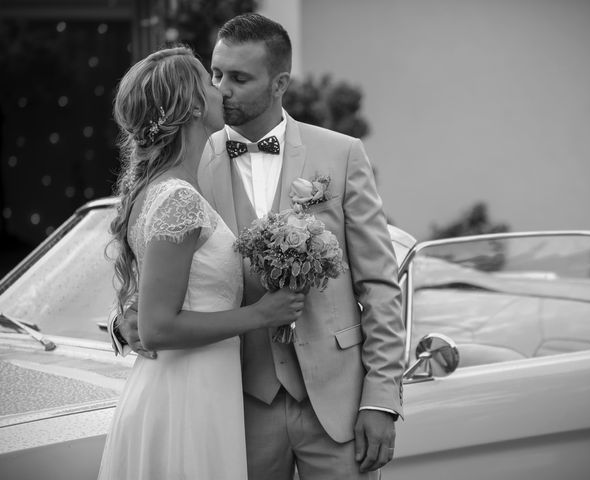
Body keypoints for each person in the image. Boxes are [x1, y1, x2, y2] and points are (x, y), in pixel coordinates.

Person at [111, 13, 406, 479]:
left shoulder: (341, 153)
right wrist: (125, 320)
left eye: (240, 78)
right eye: (216, 74)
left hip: (337, 403)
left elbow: (381, 285)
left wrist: (382, 400)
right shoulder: (186, 165)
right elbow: (153, 262)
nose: (223, 88)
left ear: (279, 82)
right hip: (236, 403)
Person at [99, 46, 306, 480]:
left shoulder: (163, 188)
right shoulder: (177, 198)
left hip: (200, 386)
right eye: (210, 80)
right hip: (186, 396)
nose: (221, 90)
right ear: (193, 104)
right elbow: (157, 327)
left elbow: (159, 296)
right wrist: (260, 314)